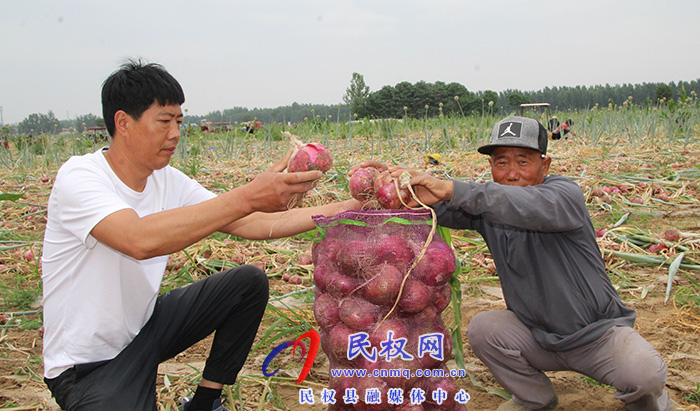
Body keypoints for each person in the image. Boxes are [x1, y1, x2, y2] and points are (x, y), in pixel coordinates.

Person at [41, 60, 362, 411]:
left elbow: (249, 223)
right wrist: (247, 195)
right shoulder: (80, 177)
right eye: (164, 121)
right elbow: (137, 240)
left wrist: (355, 206)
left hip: (144, 333)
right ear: (123, 123)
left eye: (179, 121)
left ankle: (204, 403)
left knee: (247, 283)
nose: (176, 133)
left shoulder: (168, 179)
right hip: (88, 367)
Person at [361, 116, 672, 411]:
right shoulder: (486, 208)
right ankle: (534, 398)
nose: (511, 173)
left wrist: (453, 189)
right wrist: (394, 185)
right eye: (501, 162)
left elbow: (523, 206)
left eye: (523, 161)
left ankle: (649, 405)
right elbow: (429, 207)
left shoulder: (564, 196)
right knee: (485, 329)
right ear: (491, 167)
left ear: (544, 164)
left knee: (643, 376)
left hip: (599, 338)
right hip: (537, 336)